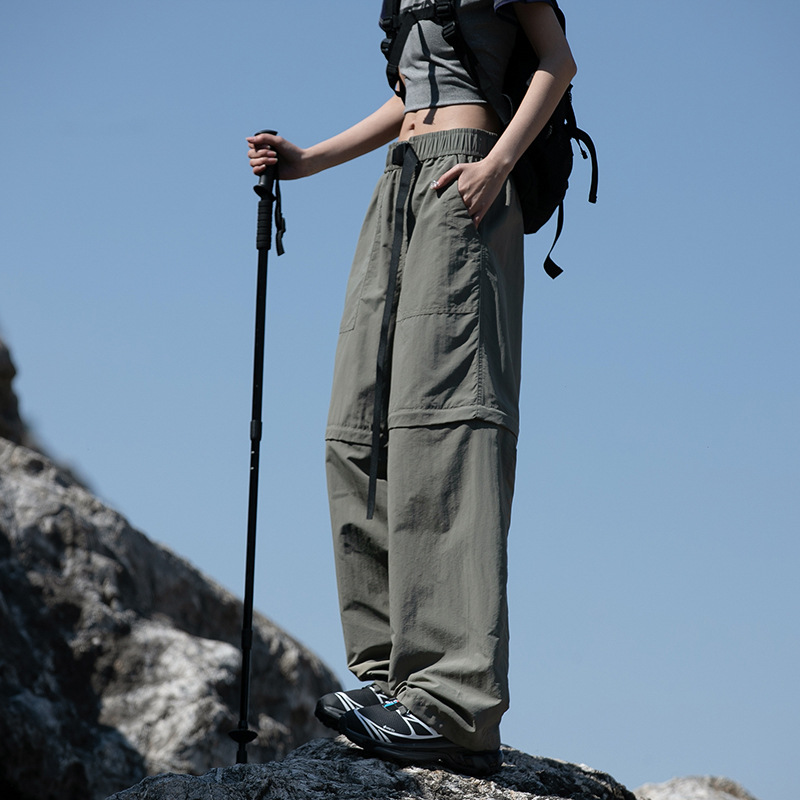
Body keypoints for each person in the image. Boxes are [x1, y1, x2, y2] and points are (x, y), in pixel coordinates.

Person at [247, 0, 576, 776]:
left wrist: (497, 165)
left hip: (468, 174)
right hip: (398, 182)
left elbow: (557, 62)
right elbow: (410, 97)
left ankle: (453, 704)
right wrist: (309, 160)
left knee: (446, 421)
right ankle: (390, 680)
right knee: (355, 427)